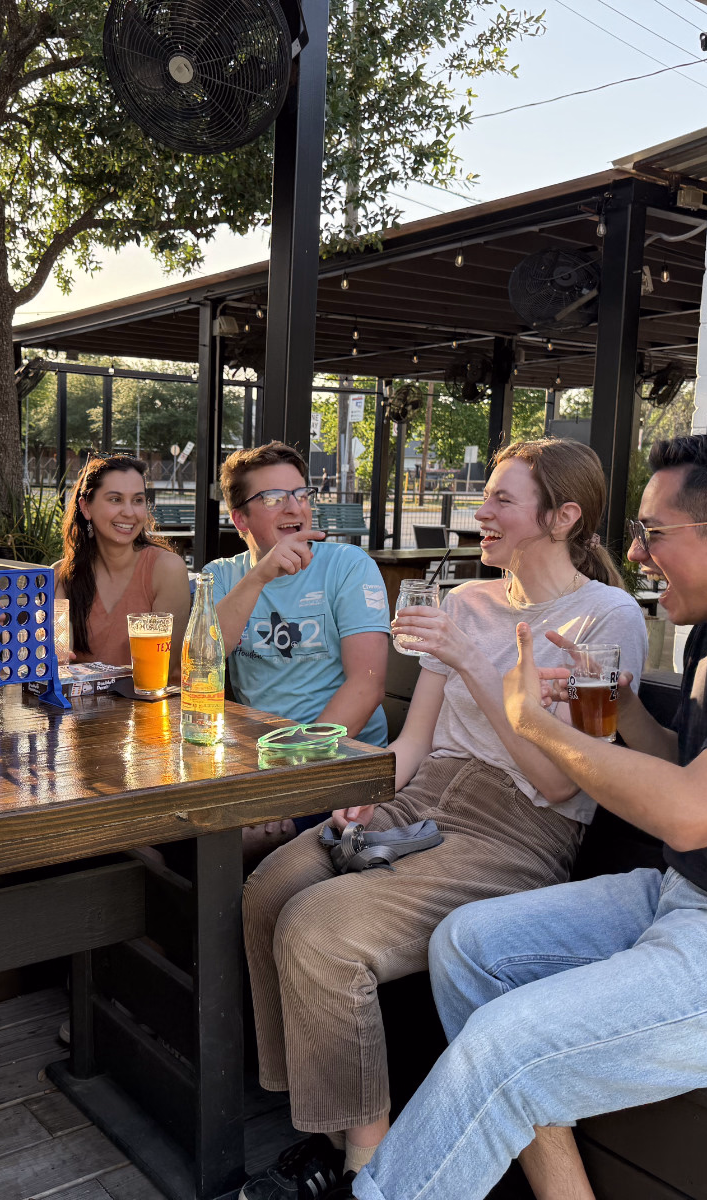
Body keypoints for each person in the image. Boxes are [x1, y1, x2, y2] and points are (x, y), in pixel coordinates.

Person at [354, 433, 707, 1200]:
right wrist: (622, 704)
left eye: (653, 533)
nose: (632, 552)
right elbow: (683, 765)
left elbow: (691, 815)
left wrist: (536, 723)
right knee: (468, 946)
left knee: (506, 1045)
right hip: (695, 899)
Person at [240, 438, 648, 1200]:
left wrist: (472, 663)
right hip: (423, 799)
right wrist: (367, 790)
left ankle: (366, 1165)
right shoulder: (466, 601)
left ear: (562, 517)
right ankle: (322, 1122)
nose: (479, 512)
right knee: (269, 887)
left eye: (501, 500)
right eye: (484, 495)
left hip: (516, 830)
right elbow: (415, 741)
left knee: (319, 927)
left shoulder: (604, 616)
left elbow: (556, 782)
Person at [204, 442, 389, 861]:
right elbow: (200, 664)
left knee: (227, 844)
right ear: (240, 518)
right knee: (178, 830)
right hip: (256, 761)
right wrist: (258, 577)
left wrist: (291, 776)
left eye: (301, 494)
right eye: (273, 498)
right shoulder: (222, 576)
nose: (294, 507)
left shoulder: (347, 565)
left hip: (341, 765)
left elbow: (367, 685)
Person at [53, 453, 190, 671]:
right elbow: (59, 656)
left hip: (150, 693)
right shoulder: (62, 575)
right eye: (115, 499)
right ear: (86, 507)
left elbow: (167, 666)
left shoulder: (166, 569)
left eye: (138, 500)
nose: (129, 512)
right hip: (79, 693)